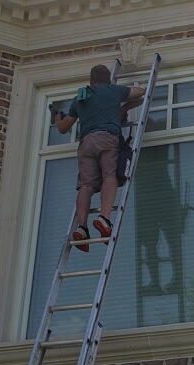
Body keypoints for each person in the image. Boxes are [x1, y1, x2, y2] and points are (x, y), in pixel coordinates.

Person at [52, 64, 146, 252]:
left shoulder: (80, 97)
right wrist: (124, 106)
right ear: (109, 79)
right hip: (107, 138)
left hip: (86, 143)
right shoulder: (113, 91)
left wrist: (56, 118)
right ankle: (104, 218)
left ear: (90, 80)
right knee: (109, 175)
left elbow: (63, 128)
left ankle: (82, 227)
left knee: (86, 185)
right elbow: (141, 92)